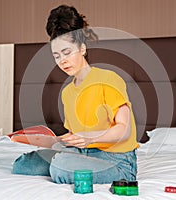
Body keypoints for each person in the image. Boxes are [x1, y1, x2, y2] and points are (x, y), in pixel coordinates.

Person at [12, 4, 139, 184]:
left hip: (117, 161)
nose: (62, 61)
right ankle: (68, 164)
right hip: (82, 153)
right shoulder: (67, 92)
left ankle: (67, 166)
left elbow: (124, 130)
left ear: (82, 49)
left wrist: (90, 138)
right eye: (56, 56)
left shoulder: (108, 78)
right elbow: (75, 136)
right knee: (23, 165)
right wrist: (48, 141)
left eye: (66, 52)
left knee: (59, 166)